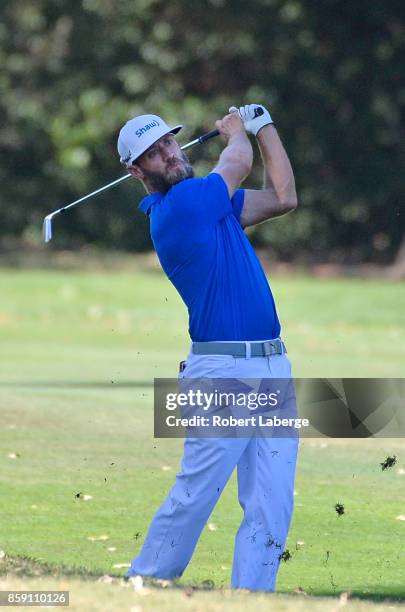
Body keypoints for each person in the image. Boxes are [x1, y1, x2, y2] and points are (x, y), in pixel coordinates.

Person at [117, 104, 299, 592]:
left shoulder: (212, 205)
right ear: (137, 172)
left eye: (168, 143)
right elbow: (236, 164)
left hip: (273, 365)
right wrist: (238, 132)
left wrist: (265, 128)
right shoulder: (180, 209)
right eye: (153, 154)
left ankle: (253, 597)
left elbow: (284, 198)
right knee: (197, 491)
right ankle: (146, 580)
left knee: (272, 499)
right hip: (221, 369)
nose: (168, 154)